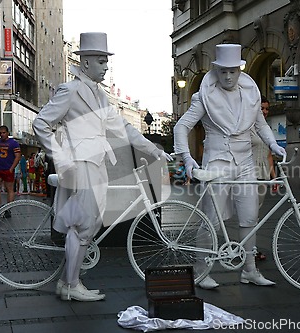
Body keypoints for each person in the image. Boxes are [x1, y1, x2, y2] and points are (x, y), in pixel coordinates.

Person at [33, 32, 171, 302]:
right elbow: (41, 124)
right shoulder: (70, 91)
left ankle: (67, 282)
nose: (105, 66)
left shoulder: (100, 95)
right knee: (84, 225)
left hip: (97, 163)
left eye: (106, 61)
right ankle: (71, 285)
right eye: (100, 61)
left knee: (91, 223)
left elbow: (123, 128)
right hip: (79, 164)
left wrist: (153, 149)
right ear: (84, 63)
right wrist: (60, 158)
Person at [174, 43, 286, 289]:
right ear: (216, 70)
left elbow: (261, 124)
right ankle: (202, 271)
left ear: (239, 70)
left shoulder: (250, 92)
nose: (227, 76)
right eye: (223, 71)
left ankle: (249, 269)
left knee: (249, 217)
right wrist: (187, 157)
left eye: (232, 71)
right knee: (211, 219)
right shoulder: (204, 95)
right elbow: (181, 126)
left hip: (245, 162)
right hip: (217, 162)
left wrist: (273, 144)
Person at [251, 96, 277, 261]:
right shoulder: (248, 128)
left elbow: (269, 156)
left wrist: (273, 178)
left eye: (267, 109)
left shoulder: (267, 130)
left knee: (256, 214)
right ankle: (249, 249)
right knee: (249, 214)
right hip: (248, 174)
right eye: (262, 108)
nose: (265, 112)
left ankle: (250, 247)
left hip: (263, 176)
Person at [0, 126, 21, 214]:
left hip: (7, 169)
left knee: (9, 189)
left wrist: (11, 168)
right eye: (0, 133)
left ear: (8, 133)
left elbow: (17, 156)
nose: (2, 134)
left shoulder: (13, 143)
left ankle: (8, 209)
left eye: (4, 132)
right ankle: (0, 205)